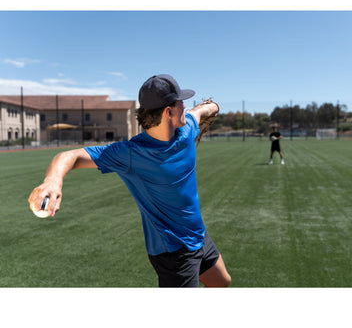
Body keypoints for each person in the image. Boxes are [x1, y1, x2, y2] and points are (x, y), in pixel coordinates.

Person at [28, 74, 231, 288]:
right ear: (168, 112)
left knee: (222, 282)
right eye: (180, 102)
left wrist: (215, 105)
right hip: (173, 251)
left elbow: (205, 109)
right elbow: (70, 156)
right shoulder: (131, 154)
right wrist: (52, 181)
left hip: (198, 234)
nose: (185, 106)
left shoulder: (187, 127)